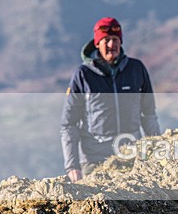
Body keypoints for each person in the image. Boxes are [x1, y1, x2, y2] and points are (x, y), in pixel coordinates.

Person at [61, 17, 160, 182]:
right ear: (97, 43)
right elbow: (69, 124)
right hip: (95, 162)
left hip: (133, 157)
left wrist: (158, 152)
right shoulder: (83, 75)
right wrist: (72, 166)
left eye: (115, 39)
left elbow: (149, 114)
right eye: (106, 40)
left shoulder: (136, 69)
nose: (111, 45)